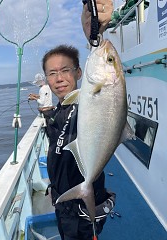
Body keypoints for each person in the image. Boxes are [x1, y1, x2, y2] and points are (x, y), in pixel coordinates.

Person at [42, 1, 114, 239]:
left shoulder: (83, 102)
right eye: (52, 73)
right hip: (63, 203)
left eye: (65, 70)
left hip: (82, 212)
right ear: (46, 79)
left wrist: (96, 34)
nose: (59, 78)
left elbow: (107, 97)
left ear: (79, 73)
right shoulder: (58, 111)